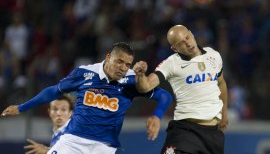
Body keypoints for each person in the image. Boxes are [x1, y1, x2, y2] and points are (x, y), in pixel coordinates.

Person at [1, 42, 172, 154]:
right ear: (108, 57)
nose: (123, 68)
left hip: (104, 147)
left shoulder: (132, 80)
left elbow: (164, 95)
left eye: (127, 64)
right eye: (119, 61)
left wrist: (157, 116)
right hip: (73, 141)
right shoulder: (85, 73)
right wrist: (21, 107)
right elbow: (54, 91)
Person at [133, 25, 228, 154]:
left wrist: (225, 113)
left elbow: (221, 83)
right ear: (174, 48)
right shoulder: (171, 63)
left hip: (213, 134)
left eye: (187, 37)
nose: (188, 43)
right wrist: (140, 75)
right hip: (185, 131)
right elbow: (146, 86)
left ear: (191, 33)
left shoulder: (214, 55)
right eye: (181, 43)